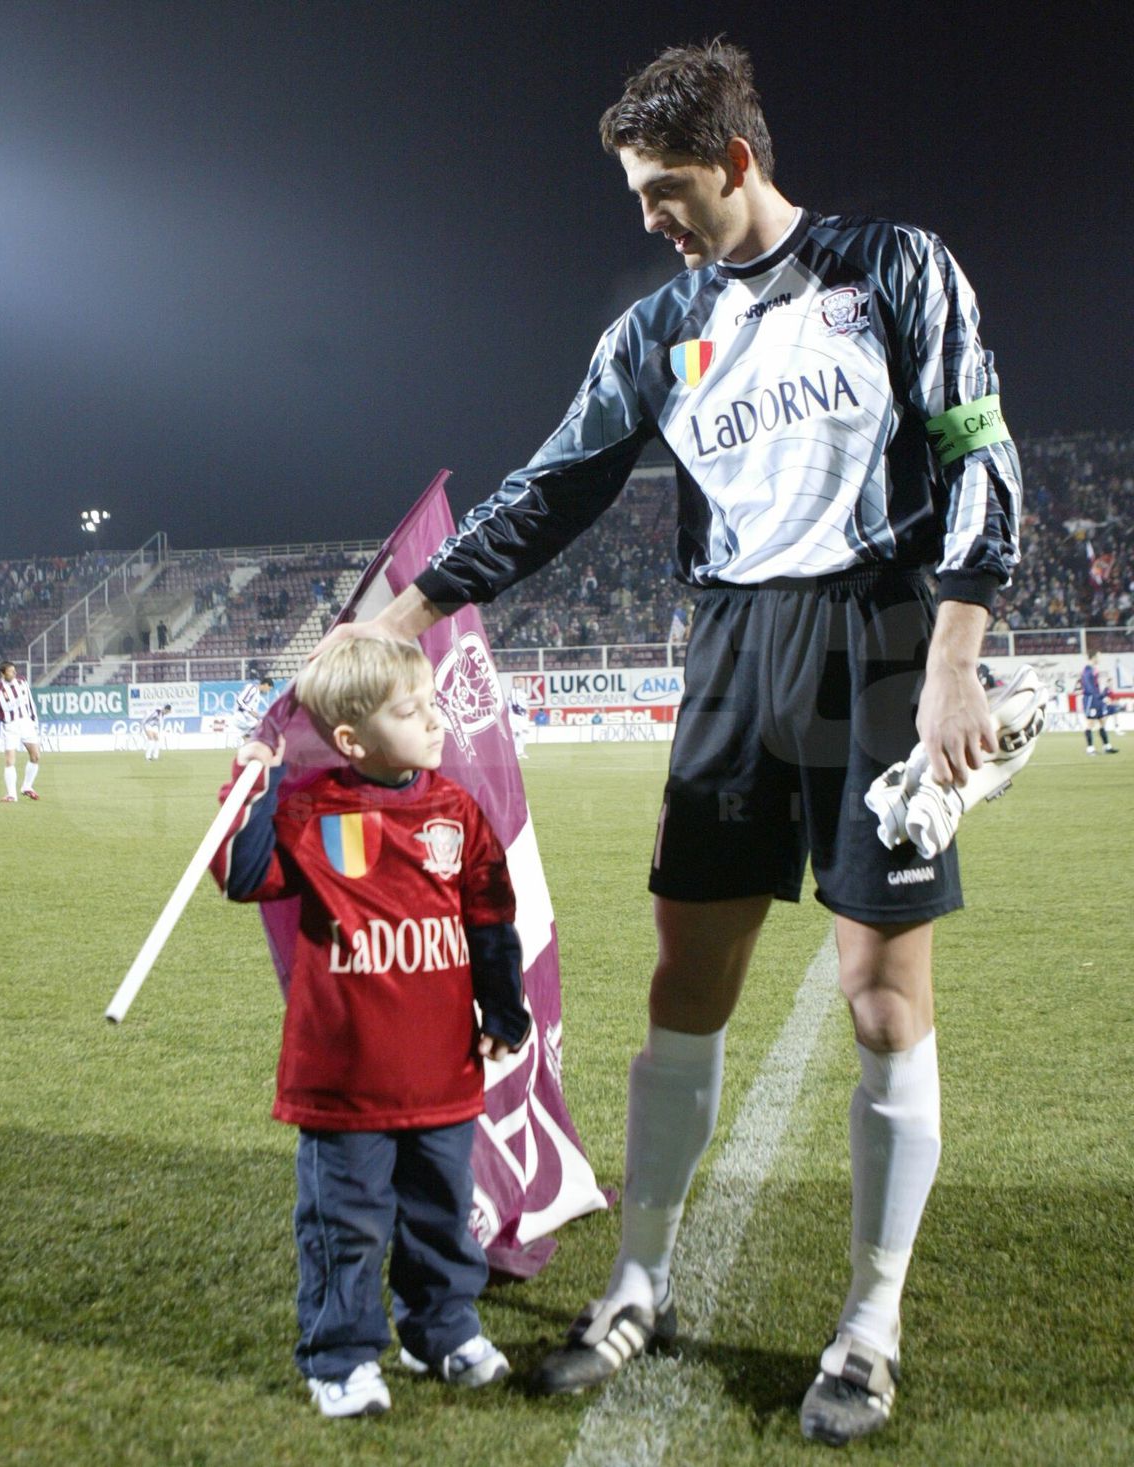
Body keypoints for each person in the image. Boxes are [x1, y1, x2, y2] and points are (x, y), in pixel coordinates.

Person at [315, 39, 1022, 1446]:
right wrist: (407, 605)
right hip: (734, 653)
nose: (648, 214)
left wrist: (955, 656)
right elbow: (557, 481)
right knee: (681, 983)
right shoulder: (657, 329)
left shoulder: (893, 267)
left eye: (666, 188)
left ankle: (869, 1318)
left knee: (883, 990)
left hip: (878, 643)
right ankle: (636, 1279)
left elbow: (976, 446)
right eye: (636, 191)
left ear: (738, 161)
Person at [210, 639, 529, 1420]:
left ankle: (440, 1329)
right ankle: (341, 1356)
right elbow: (245, 875)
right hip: (344, 1084)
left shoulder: (455, 809)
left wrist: (504, 1007)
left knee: (440, 1216)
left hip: (442, 1072)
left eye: (429, 703)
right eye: (408, 709)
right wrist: (256, 780)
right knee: (344, 1226)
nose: (432, 719)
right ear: (351, 739)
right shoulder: (311, 806)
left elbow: (489, 914)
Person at [0, 661, 42, 802]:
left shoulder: (22, 682)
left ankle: (27, 787)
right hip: (10, 726)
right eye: (11, 671)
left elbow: (30, 701)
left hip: (26, 723)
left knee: (35, 756)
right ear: (2, 673)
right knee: (10, 760)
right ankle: (12, 794)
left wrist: (35, 721)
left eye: (14, 670)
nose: (14, 673)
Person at [1080, 651, 1118, 754]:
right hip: (1091, 699)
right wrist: (1100, 697)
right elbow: (1089, 687)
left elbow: (1095, 686)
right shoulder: (1087, 670)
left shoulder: (1093, 670)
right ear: (1093, 658)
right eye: (1098, 657)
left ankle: (1107, 747)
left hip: (1097, 699)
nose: (1099, 659)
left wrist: (1103, 694)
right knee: (1090, 723)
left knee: (1102, 722)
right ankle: (1090, 748)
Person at [231, 674, 275, 744]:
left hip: (247, 718)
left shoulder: (257, 694)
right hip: (240, 716)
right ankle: (241, 739)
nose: (268, 691)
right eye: (269, 689)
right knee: (260, 726)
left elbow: (252, 711)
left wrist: (256, 715)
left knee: (253, 735)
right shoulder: (252, 688)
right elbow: (239, 700)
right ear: (266, 685)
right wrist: (250, 711)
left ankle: (244, 742)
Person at [508, 686, 531, 758]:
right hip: (515, 717)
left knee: (522, 733)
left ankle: (519, 751)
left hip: (521, 717)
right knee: (517, 734)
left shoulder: (522, 701)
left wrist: (527, 713)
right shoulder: (513, 698)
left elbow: (526, 706)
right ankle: (515, 752)